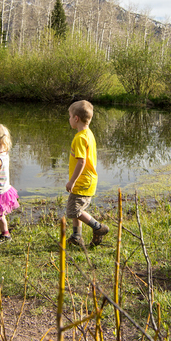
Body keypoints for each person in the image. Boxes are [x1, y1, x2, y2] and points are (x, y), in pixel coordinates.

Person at [65, 100, 109, 247]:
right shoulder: (88, 133)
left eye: (70, 116)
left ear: (76, 118)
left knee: (74, 210)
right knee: (77, 208)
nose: (69, 119)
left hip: (81, 181)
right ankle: (76, 236)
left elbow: (81, 162)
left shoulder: (80, 138)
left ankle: (98, 227)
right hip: (88, 180)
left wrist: (72, 181)